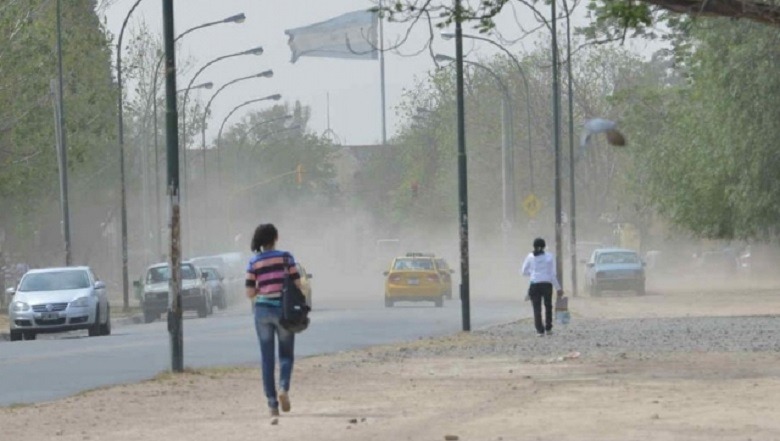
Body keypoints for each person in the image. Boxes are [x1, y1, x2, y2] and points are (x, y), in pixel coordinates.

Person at [245, 223, 302, 418]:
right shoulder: (286, 257)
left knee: (267, 358)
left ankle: (272, 403)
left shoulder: (254, 262)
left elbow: (249, 292)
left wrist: (262, 290)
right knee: (286, 355)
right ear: (275, 238)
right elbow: (298, 283)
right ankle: (283, 387)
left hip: (262, 311)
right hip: (283, 311)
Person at [521, 238, 563, 337]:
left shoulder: (530, 256)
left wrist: (533, 274)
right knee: (548, 306)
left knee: (537, 308)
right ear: (544, 246)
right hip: (547, 284)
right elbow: (552, 274)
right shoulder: (549, 256)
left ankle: (540, 330)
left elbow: (523, 271)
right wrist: (558, 288)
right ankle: (548, 328)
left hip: (535, 284)